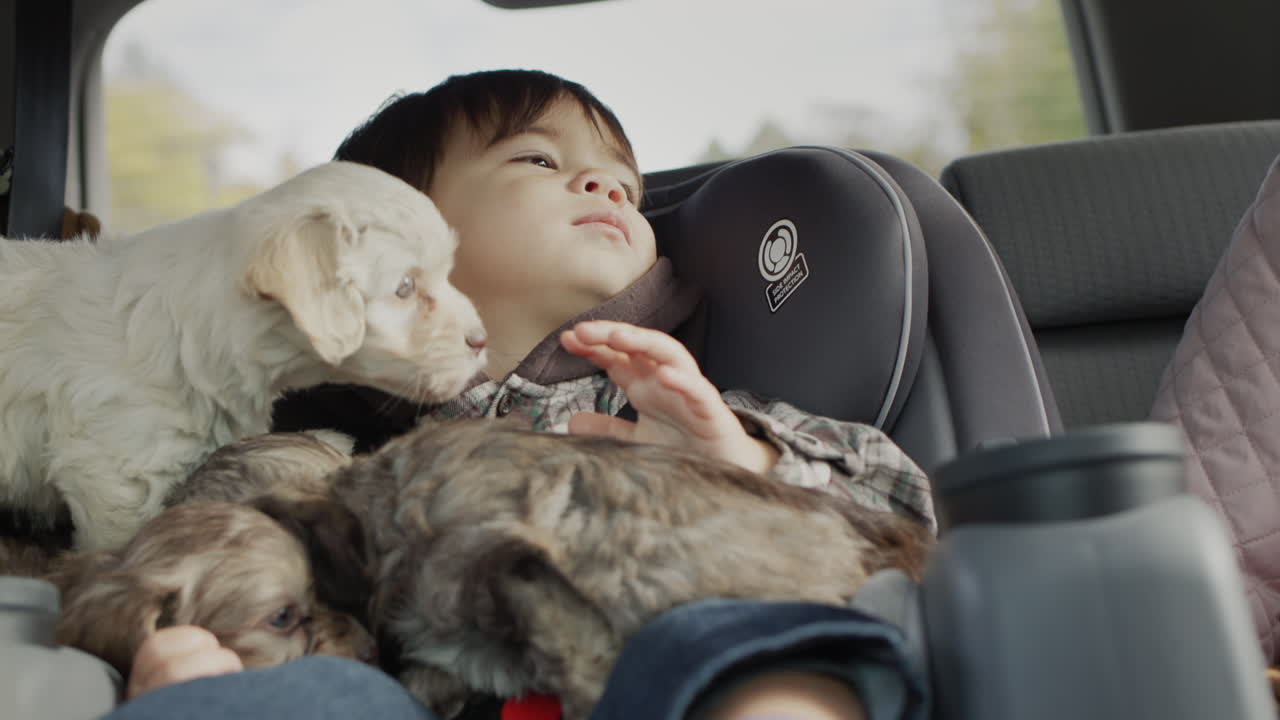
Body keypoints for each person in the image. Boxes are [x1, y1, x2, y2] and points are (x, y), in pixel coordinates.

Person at [109, 69, 934, 720]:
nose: (608, 188)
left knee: (747, 638)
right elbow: (221, 552)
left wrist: (739, 458)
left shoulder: (671, 408)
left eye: (626, 185)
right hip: (423, 693)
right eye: (541, 160)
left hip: (645, 663)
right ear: (405, 227)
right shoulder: (332, 447)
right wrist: (197, 661)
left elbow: (904, 510)